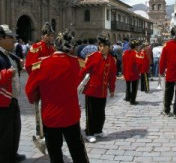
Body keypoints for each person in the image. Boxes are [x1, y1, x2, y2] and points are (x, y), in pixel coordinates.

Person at [25, 31, 89, 163]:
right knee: (77, 150)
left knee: (54, 153)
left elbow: (30, 91)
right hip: (71, 115)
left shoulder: (41, 64)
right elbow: (85, 80)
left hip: (50, 116)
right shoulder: (77, 63)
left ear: (55, 46)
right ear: (71, 47)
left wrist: (37, 97)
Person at [79, 34, 116, 143]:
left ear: (108, 47)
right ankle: (89, 133)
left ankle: (98, 130)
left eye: (104, 46)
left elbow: (112, 76)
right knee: (91, 113)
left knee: (101, 112)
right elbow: (83, 71)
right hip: (91, 90)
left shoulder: (111, 59)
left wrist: (112, 89)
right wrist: (78, 84)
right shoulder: (93, 57)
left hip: (103, 90)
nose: (102, 48)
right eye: (100, 46)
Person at [0, 25, 26, 163]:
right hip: (2, 101)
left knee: (15, 128)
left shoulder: (8, 54)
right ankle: (4, 157)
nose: (13, 41)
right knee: (5, 132)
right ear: (1, 38)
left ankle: (12, 153)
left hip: (12, 98)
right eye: (10, 38)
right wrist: (8, 73)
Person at [122, 39, 141, 105]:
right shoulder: (136, 54)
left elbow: (123, 63)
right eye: (138, 46)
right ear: (135, 46)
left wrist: (123, 72)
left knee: (128, 86)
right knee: (134, 87)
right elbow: (139, 64)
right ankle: (132, 100)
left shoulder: (125, 52)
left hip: (127, 72)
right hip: (134, 73)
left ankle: (127, 97)